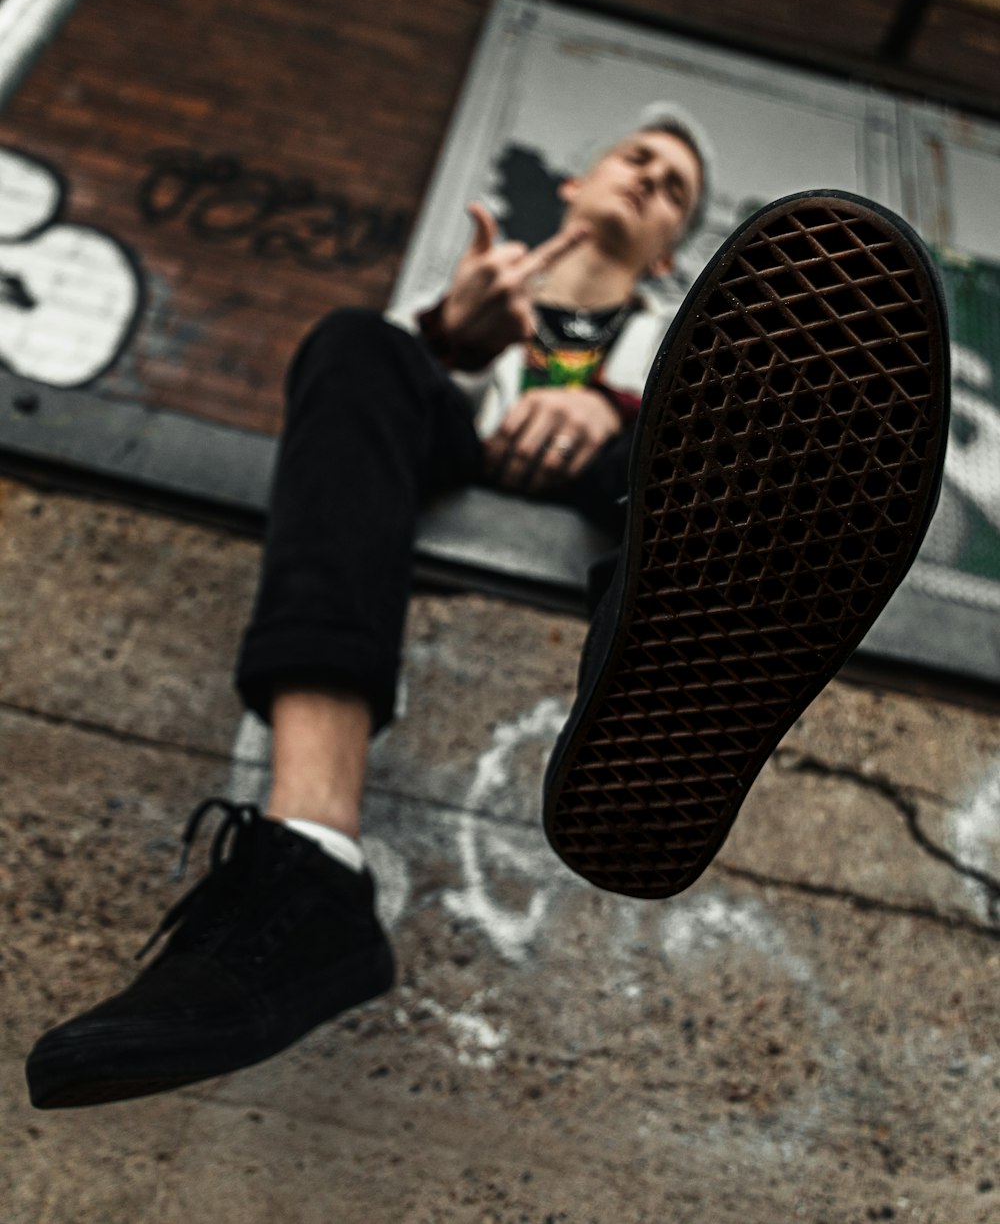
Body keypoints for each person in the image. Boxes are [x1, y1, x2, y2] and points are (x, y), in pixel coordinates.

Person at [26, 111, 950, 1108]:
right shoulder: (479, 288)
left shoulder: (709, 332)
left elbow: (698, 402)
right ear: (574, 185)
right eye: (636, 159)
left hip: (627, 478)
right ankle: (308, 861)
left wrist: (613, 406)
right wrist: (448, 342)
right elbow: (361, 442)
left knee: (711, 436)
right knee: (356, 345)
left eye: (675, 187)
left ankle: (655, 653)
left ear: (673, 248)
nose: (649, 180)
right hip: (467, 446)